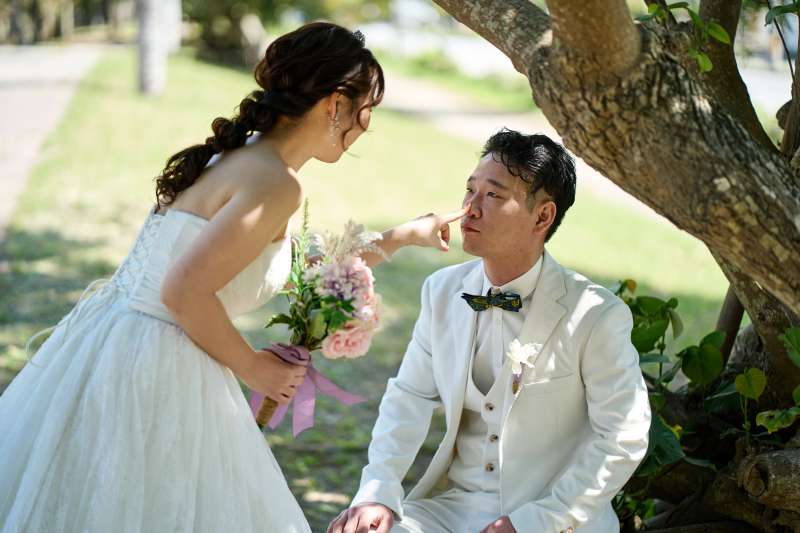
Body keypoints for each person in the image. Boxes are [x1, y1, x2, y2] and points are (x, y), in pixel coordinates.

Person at [0, 23, 465, 533]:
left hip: (114, 345)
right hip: (156, 369)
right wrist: (254, 369)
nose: (367, 123)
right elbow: (182, 291)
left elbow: (299, 265)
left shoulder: (242, 159)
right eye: (365, 108)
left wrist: (402, 236)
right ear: (335, 104)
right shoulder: (274, 184)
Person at [328, 129, 652, 533]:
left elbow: (623, 436)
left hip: (546, 518)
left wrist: (533, 522)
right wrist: (376, 490)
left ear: (543, 216)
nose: (470, 209)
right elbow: (408, 396)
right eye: (469, 191)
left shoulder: (595, 314)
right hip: (447, 509)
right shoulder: (442, 291)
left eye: (493, 196)